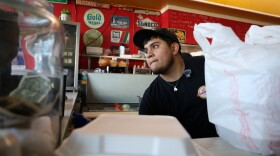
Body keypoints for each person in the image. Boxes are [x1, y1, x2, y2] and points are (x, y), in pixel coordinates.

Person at [133, 28, 218, 138]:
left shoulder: (206, 66)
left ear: (174, 48)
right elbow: (147, 138)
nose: (148, 54)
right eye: (145, 51)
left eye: (155, 46)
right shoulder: (151, 97)